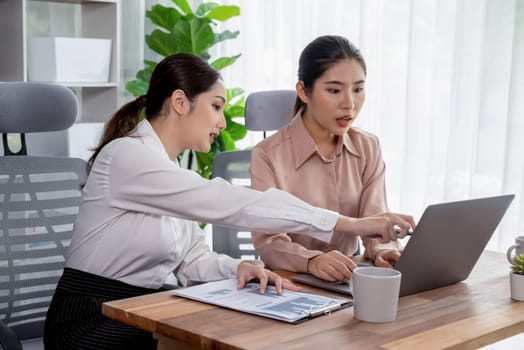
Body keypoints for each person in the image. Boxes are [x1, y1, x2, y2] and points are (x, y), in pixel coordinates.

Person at [43, 53, 411, 350]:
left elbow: (190, 259)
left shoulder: (168, 170)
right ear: (179, 103)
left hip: (142, 309)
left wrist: (235, 269)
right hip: (88, 321)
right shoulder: (126, 157)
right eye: (216, 106)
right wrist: (350, 224)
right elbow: (230, 201)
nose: (221, 122)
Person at [250, 35, 416, 283]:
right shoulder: (267, 154)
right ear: (303, 92)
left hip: (349, 281)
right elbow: (269, 241)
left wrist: (385, 251)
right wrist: (311, 260)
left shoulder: (368, 147)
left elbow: (375, 220)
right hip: (289, 283)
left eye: (358, 89)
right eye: (334, 90)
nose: (349, 104)